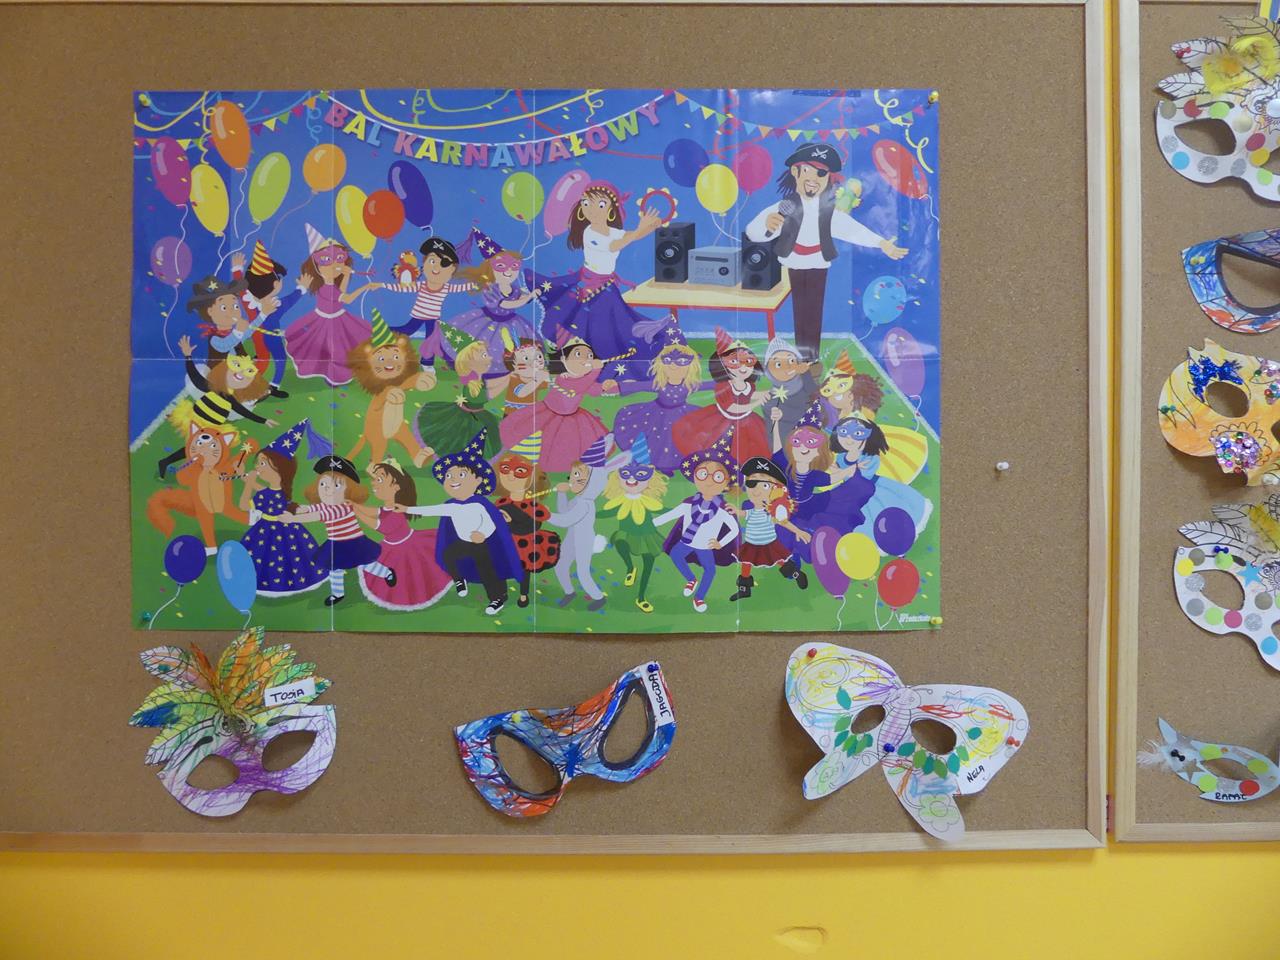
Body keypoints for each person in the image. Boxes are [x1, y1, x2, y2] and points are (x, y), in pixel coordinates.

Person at [744, 143, 908, 359]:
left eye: (821, 173)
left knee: (814, 311)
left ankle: (811, 359)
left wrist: (881, 243)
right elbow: (752, 233)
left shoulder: (828, 211)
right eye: (807, 170)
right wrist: (767, 224)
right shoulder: (785, 206)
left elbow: (852, 230)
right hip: (793, 261)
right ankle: (801, 356)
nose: (813, 178)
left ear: (828, 178)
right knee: (799, 311)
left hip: (818, 262)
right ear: (795, 171)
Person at [528, 179, 666, 378]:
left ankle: (604, 365)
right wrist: (640, 228)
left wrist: (651, 226)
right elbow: (615, 245)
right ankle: (578, 366)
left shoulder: (613, 232)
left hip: (607, 288)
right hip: (589, 287)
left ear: (610, 210)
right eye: (586, 203)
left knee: (615, 327)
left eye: (600, 204)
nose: (591, 209)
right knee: (588, 326)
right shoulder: (589, 233)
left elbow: (630, 236)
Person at [394, 430, 522, 616]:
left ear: (477, 480)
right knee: (448, 554)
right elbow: (432, 510)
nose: (453, 479)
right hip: (465, 543)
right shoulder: (451, 505)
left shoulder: (479, 504)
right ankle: (459, 579)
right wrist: (406, 509)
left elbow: (491, 524)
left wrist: (482, 533)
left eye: (461, 475)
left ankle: (498, 597)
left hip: (483, 545)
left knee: (488, 570)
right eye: (448, 476)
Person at [278, 455, 395, 607]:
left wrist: (293, 519)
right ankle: (338, 594)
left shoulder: (341, 507)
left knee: (365, 564)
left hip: (353, 542)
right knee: (334, 568)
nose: (328, 489)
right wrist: (296, 508)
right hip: (336, 543)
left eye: (337, 485)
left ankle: (387, 573)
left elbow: (317, 515)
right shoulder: (326, 504)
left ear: (349, 491)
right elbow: (311, 508)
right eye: (323, 484)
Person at [499, 334, 619, 473]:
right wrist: (596, 370)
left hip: (573, 416)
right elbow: (579, 386)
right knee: (547, 441)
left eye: (590, 356)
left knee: (574, 443)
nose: (586, 360)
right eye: (578, 354)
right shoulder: (563, 378)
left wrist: (609, 386)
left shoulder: (584, 380)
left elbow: (593, 389)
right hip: (549, 413)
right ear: (563, 359)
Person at [237, 420, 329, 597]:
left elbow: (244, 504)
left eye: (262, 463)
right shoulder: (273, 492)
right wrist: (245, 479)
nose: (257, 467)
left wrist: (248, 483)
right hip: (275, 528)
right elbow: (260, 493)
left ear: (278, 468)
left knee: (278, 558)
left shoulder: (269, 494)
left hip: (273, 529)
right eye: (258, 463)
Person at [611, 320, 713, 475]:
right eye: (668, 360)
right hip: (656, 415)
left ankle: (674, 465)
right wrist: (618, 387)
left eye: (682, 361)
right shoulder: (659, 383)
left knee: (678, 441)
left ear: (691, 365)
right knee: (658, 442)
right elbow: (638, 386)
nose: (674, 365)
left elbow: (710, 385)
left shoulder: (689, 385)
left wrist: (730, 383)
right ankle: (659, 465)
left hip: (682, 416)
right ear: (660, 364)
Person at [654, 432, 740, 614]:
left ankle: (699, 597)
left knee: (710, 571)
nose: (709, 480)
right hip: (686, 541)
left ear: (726, 484)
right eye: (703, 474)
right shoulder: (688, 504)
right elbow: (670, 515)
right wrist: (650, 524)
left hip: (705, 546)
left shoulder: (722, 510)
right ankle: (691, 579)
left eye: (717, 477)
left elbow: (733, 529)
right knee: (676, 555)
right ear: (694, 477)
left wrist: (720, 543)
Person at [283, 225, 378, 386]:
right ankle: (334, 376)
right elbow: (347, 299)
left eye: (339, 259)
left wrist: (346, 276)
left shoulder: (331, 285)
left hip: (339, 318)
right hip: (325, 322)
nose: (334, 266)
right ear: (317, 267)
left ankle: (342, 373)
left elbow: (341, 291)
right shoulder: (326, 288)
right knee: (332, 351)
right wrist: (365, 287)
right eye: (326, 261)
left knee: (345, 347)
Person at [446, 226, 538, 386]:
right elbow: (506, 304)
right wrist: (527, 298)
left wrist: (531, 295)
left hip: (512, 322)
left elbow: (521, 297)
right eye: (501, 267)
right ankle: (479, 372)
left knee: (516, 348)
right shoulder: (490, 288)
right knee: (489, 348)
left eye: (514, 266)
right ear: (490, 269)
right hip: (489, 322)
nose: (509, 271)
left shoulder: (514, 288)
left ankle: (512, 371)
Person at [546, 436, 630, 612]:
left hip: (583, 541)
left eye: (578, 479)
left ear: (593, 483)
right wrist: (561, 494)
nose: (572, 482)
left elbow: (565, 520)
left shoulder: (585, 504)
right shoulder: (578, 499)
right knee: (560, 565)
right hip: (572, 538)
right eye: (572, 477)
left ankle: (598, 597)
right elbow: (564, 511)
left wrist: (546, 515)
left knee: (583, 572)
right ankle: (569, 592)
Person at [359, 459, 452, 611]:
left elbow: (381, 526)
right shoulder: (386, 507)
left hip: (408, 546)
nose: (373, 483)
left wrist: (355, 510)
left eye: (380, 480)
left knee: (414, 574)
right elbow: (374, 512)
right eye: (375, 479)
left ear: (396, 487)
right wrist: (354, 506)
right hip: (389, 547)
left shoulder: (398, 510)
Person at [672, 326, 770, 465]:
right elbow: (732, 407)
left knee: (751, 446)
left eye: (748, 362)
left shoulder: (749, 384)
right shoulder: (723, 386)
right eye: (734, 362)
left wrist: (764, 394)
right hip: (723, 421)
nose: (743, 367)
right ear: (723, 365)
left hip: (746, 420)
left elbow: (749, 394)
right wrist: (756, 403)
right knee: (719, 445)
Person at [379, 236, 475, 369]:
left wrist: (478, 284)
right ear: (424, 264)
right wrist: (382, 285)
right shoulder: (422, 285)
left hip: (433, 318)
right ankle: (383, 332)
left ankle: (427, 363)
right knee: (406, 330)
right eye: (432, 261)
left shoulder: (446, 287)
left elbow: (463, 287)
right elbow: (402, 288)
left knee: (431, 340)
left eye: (444, 264)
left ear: (452, 269)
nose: (436, 267)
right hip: (418, 315)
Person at [727, 456, 811, 602]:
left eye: (765, 485)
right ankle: (744, 589)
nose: (757, 490)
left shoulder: (772, 511)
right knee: (746, 564)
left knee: (780, 560)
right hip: (751, 543)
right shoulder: (752, 510)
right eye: (752, 483)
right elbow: (745, 514)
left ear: (776, 490)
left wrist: (798, 531)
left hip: (769, 543)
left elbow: (783, 522)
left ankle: (796, 574)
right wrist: (736, 511)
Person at [602, 433, 669, 614]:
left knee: (648, 565)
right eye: (626, 476)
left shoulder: (649, 501)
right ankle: (630, 567)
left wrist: (684, 511)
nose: (632, 480)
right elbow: (608, 512)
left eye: (640, 476)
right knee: (620, 541)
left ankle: (641, 598)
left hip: (648, 537)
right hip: (628, 533)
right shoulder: (619, 500)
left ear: (649, 480)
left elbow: (663, 510)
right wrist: (589, 513)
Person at [493, 435, 560, 609]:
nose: (511, 476)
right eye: (505, 469)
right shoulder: (501, 502)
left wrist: (509, 521)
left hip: (524, 545)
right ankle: (501, 593)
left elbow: (533, 526)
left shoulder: (533, 505)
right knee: (499, 566)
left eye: (520, 471)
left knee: (523, 570)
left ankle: (523, 594)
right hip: (504, 543)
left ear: (532, 477)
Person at [761, 335, 821, 450]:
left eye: (791, 360)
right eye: (778, 364)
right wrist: (780, 415)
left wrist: (805, 373)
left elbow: (815, 394)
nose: (787, 367)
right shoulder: (769, 398)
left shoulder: (804, 384)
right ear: (768, 370)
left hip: (808, 443)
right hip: (784, 446)